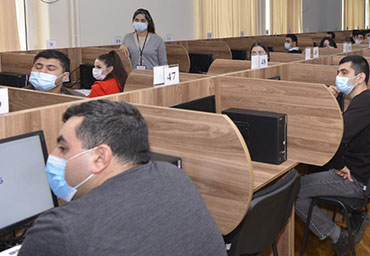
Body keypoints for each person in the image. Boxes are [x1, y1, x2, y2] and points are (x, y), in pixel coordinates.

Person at [19, 100, 226, 256]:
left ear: (100, 157)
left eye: (63, 148)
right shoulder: (173, 175)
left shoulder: (59, 230)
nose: (53, 155)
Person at [295, 55, 370, 256]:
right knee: (313, 169)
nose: (338, 77)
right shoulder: (369, 100)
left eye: (344, 72)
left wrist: (339, 165)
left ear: (360, 77)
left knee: (293, 191)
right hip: (364, 173)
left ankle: (339, 236)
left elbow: (335, 137)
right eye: (338, 72)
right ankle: (354, 218)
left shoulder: (364, 103)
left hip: (356, 179)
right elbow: (340, 127)